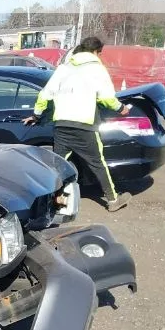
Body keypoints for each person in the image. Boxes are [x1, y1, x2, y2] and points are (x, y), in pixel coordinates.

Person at [23, 36, 132, 212]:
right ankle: (113, 200)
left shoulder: (64, 68)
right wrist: (121, 108)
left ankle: (54, 200)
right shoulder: (97, 69)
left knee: (56, 165)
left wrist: (36, 115)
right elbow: (106, 98)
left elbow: (44, 95)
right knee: (98, 163)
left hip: (62, 125)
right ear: (97, 52)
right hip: (84, 125)